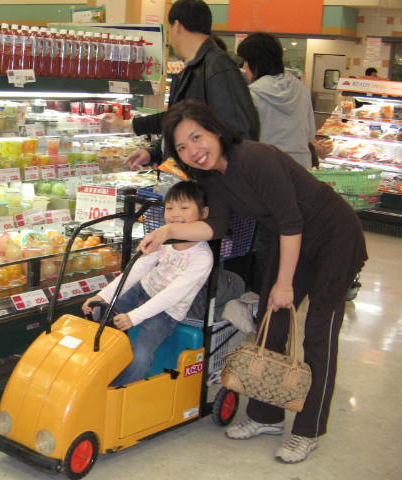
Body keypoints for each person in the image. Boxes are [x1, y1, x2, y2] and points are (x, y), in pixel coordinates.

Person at [139, 99, 367, 463]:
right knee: (270, 321)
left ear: (215, 130)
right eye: (182, 146)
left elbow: (291, 220)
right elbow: (216, 226)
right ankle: (266, 416)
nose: (193, 151)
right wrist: (167, 230)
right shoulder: (210, 177)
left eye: (197, 137)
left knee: (319, 332)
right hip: (291, 237)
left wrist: (284, 283)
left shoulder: (255, 157)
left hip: (333, 236)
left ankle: (308, 430)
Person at [81, 181, 213, 386]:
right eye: (169, 208)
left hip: (167, 311)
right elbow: (137, 270)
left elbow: (171, 296)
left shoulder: (202, 258)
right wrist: (102, 296)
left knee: (141, 353)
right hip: (143, 290)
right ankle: (96, 372)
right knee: (99, 313)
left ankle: (119, 389)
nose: (175, 214)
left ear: (204, 214)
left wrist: (134, 317)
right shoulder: (164, 239)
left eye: (184, 208)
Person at [101, 0, 259, 170]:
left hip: (210, 181)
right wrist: (154, 153)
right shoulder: (193, 69)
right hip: (190, 177)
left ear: (177, 26)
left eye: (169, 29)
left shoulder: (217, 66)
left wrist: (225, 177)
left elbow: (241, 130)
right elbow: (178, 121)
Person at [237, 32, 316, 169]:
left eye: (246, 61)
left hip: (266, 167)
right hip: (301, 167)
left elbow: (245, 140)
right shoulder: (301, 89)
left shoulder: (252, 94)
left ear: (257, 63)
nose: (244, 66)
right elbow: (310, 135)